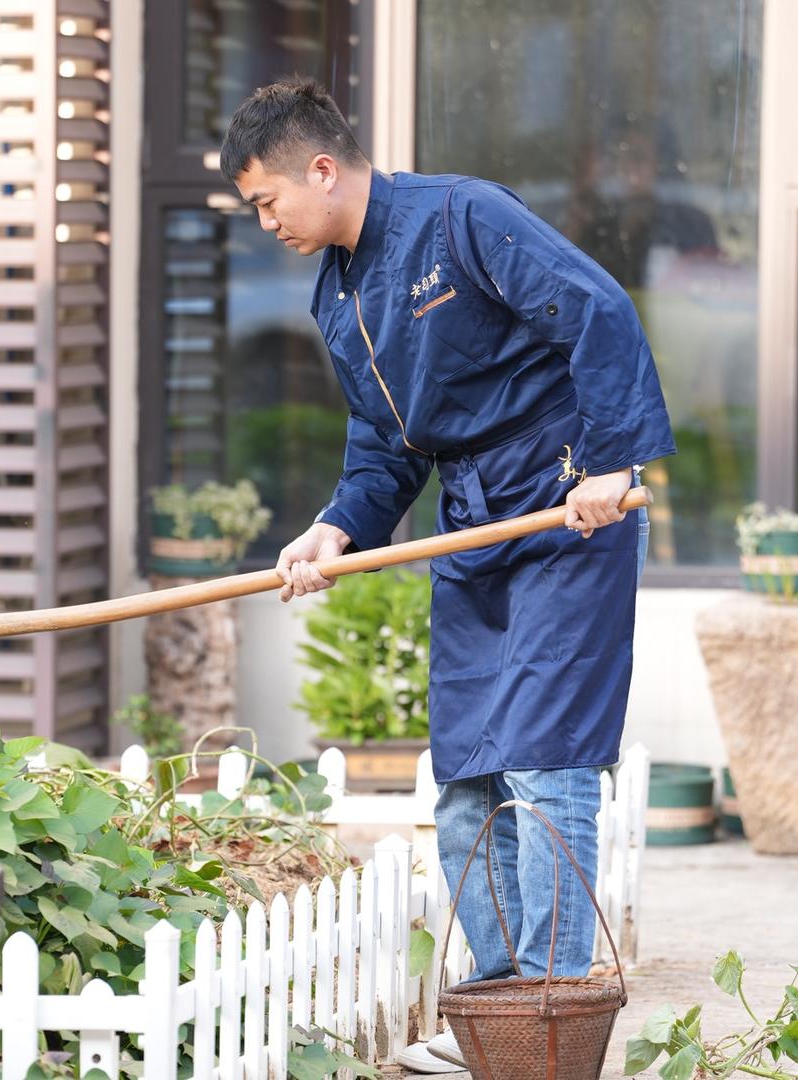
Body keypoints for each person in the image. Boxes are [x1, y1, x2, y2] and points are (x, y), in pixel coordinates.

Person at [220, 77, 675, 1068]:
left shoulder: (463, 216)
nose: (269, 223)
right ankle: (501, 1014)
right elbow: (387, 449)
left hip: (562, 501)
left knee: (545, 760)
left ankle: (553, 1013)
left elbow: (595, 311)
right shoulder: (336, 296)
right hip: (470, 523)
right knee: (469, 773)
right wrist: (336, 529)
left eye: (268, 201)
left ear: (323, 167)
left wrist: (611, 462)